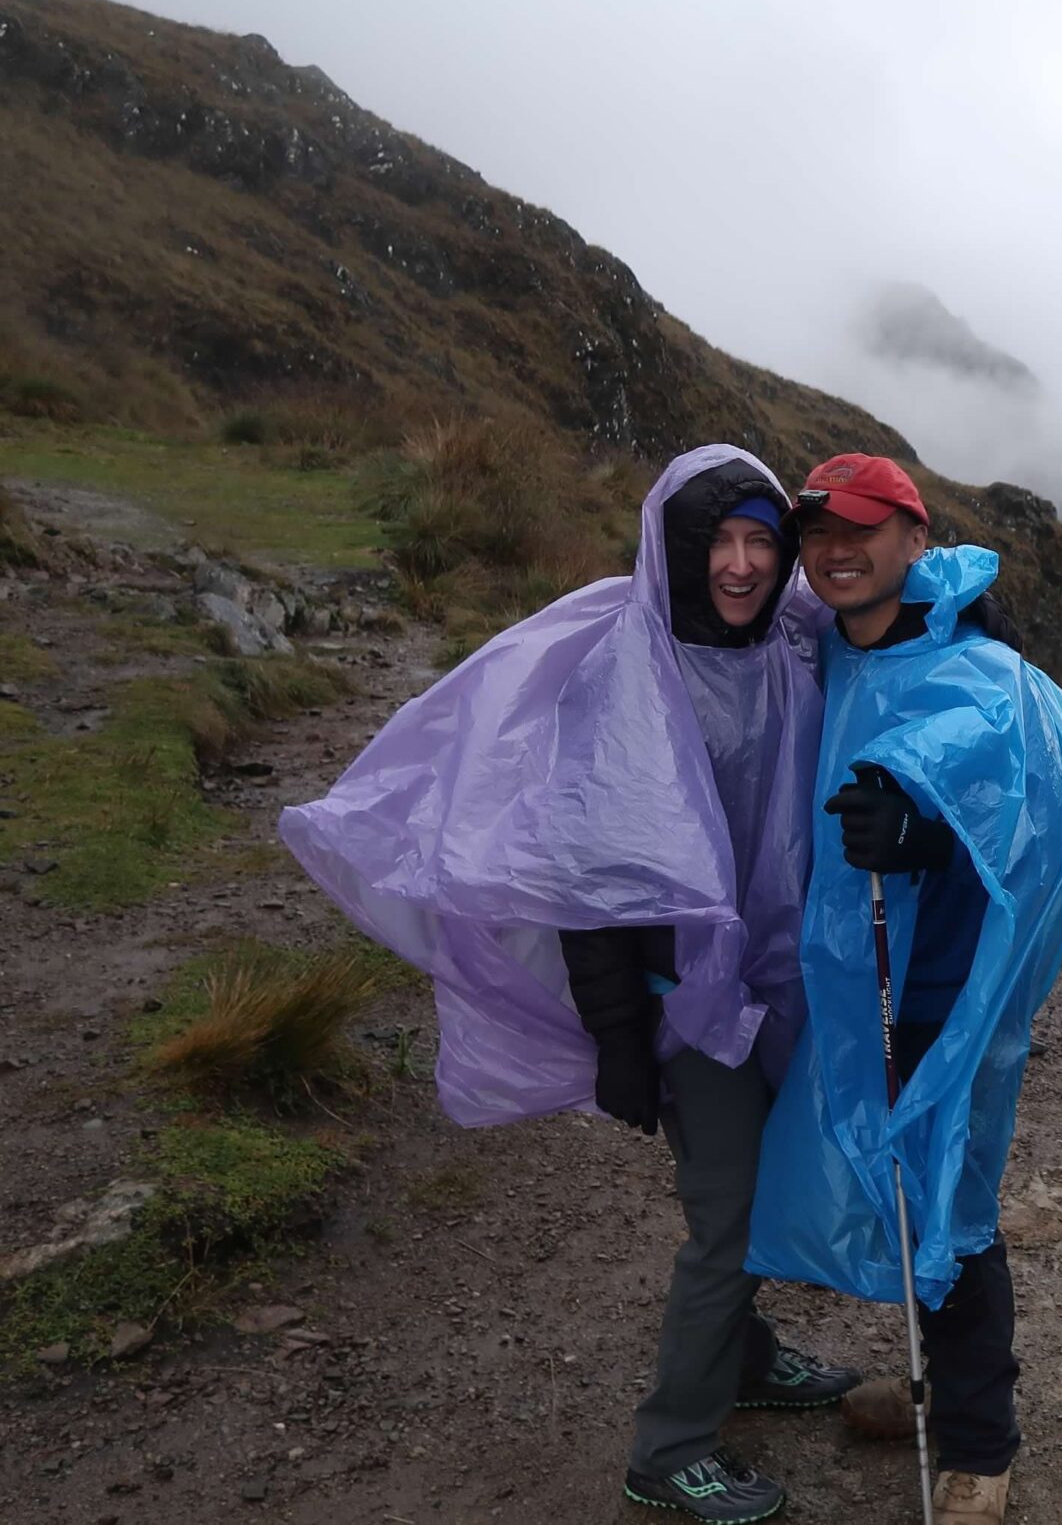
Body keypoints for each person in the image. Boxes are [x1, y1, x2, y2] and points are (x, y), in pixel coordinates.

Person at [282, 446, 852, 1525]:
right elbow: (587, 881)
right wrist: (622, 1041)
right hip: (684, 1000)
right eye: (716, 544)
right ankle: (669, 1448)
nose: (738, 565)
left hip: (769, 973)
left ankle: (745, 1354)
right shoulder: (627, 670)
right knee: (727, 1213)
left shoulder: (784, 638)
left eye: (759, 543)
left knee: (759, 1180)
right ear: (676, 550)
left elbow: (893, 604)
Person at [746, 452, 1062, 1525]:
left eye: (861, 528)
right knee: (887, 1178)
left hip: (942, 984)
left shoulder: (987, 678)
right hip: (849, 973)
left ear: (914, 537)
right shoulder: (820, 653)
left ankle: (981, 1445)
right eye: (818, 535)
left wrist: (928, 829)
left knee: (952, 1193)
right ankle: (935, 1383)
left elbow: (1026, 804)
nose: (835, 551)